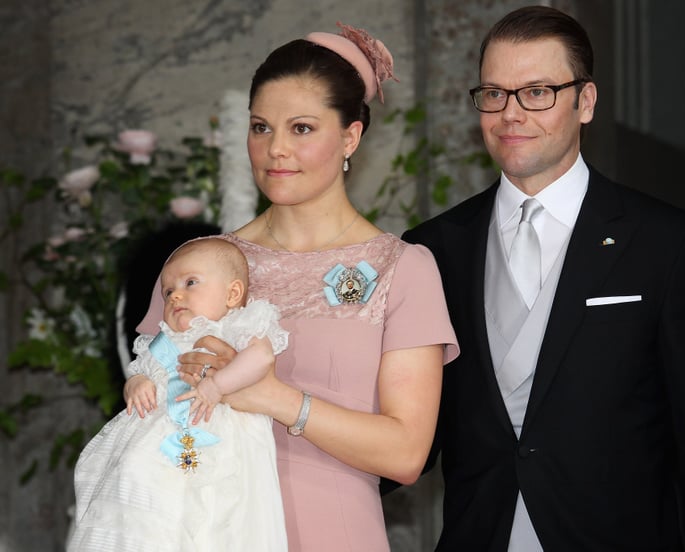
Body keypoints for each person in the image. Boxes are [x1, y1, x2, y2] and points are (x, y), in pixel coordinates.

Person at [402, 6, 685, 551]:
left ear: (584, 102)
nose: (511, 114)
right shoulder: (432, 248)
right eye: (494, 93)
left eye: (537, 91)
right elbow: (413, 438)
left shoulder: (667, 243)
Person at [136, 22, 459, 552]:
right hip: (205, 532)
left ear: (351, 136)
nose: (275, 149)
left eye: (302, 128)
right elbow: (146, 415)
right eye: (261, 127)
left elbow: (406, 454)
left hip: (336, 533)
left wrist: (275, 398)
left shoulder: (405, 269)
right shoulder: (198, 266)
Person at [69, 237, 289, 551]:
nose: (176, 296)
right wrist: (136, 383)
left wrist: (217, 385)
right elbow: (140, 370)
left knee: (218, 509)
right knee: (135, 475)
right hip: (157, 441)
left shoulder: (240, 324)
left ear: (233, 293)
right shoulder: (165, 340)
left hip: (223, 433)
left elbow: (261, 358)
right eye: (168, 291)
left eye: (190, 282)